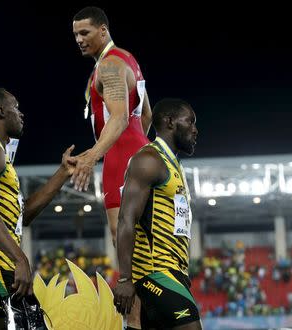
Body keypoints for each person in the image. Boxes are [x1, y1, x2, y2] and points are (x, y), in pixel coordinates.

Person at [0, 87, 75, 330]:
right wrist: (21, 259)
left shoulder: (0, 157)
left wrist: (63, 173)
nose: (21, 114)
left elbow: (23, 217)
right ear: (1, 111)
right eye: (16, 107)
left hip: (0, 267)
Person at [72, 7, 151, 329]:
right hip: (136, 151)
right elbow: (144, 114)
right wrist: (142, 149)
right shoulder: (127, 59)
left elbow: (119, 117)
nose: (78, 40)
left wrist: (93, 155)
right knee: (145, 246)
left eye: (85, 33)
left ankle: (135, 323)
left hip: (121, 160)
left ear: (103, 31)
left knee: (127, 249)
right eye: (75, 34)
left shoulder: (109, 65)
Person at [114, 99, 201, 329]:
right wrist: (125, 278)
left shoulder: (174, 165)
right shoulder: (149, 160)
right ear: (169, 122)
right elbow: (126, 219)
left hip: (176, 272)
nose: (195, 129)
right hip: (156, 273)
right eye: (190, 122)